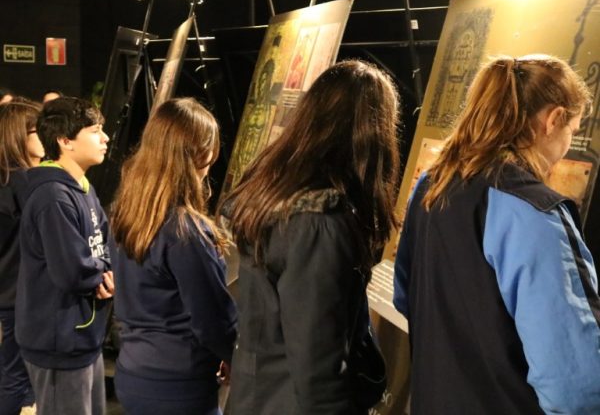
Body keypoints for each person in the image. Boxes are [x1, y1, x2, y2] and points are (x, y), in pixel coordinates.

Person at [393, 54, 600, 414]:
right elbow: (575, 385)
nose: (569, 141)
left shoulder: (432, 184)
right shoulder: (535, 213)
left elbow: (405, 297)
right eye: (573, 129)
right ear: (553, 120)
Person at [223, 59, 402, 414]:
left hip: (259, 397)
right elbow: (317, 369)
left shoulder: (277, 199)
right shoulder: (317, 224)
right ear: (370, 133)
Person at [109, 97, 237, 415]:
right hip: (180, 383)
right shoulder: (186, 230)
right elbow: (211, 318)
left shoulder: (127, 213)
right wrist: (234, 356)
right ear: (200, 154)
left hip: (133, 372)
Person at [15, 96, 114, 415]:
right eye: (95, 130)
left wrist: (106, 271)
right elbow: (72, 270)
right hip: (59, 340)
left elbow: (104, 244)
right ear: (64, 140)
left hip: (83, 336)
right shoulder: (52, 197)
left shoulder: (82, 187)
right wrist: (101, 275)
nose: (105, 138)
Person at [0, 99, 44, 415]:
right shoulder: (26, 183)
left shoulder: (10, 180)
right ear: (19, 135)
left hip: (10, 297)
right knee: (18, 380)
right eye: (37, 130)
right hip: (19, 299)